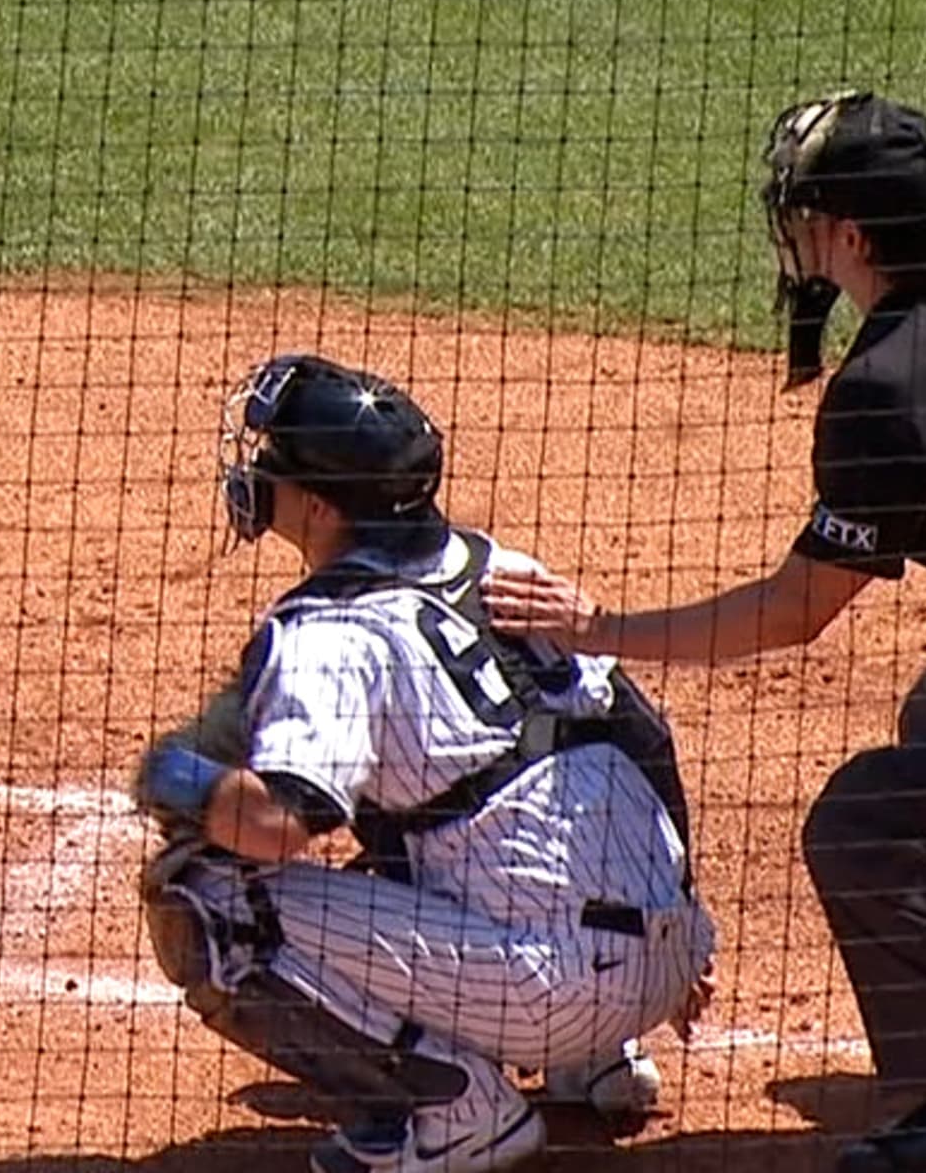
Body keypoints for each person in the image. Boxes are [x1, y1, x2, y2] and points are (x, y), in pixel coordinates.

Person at [486, 91, 926, 1173]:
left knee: (867, 823)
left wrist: (602, 627)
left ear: (852, 238)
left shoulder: (888, 388)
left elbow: (796, 610)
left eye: (806, 210)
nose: (790, 227)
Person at [133, 353, 714, 1173]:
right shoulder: (501, 566)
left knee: (206, 899)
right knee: (456, 805)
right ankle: (599, 1061)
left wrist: (175, 775)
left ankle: (454, 1115)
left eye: (273, 462)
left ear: (320, 504)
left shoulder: (333, 636)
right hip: (668, 957)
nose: (256, 472)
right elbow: (645, 737)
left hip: (553, 987)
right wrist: (680, 916)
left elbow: (278, 823)